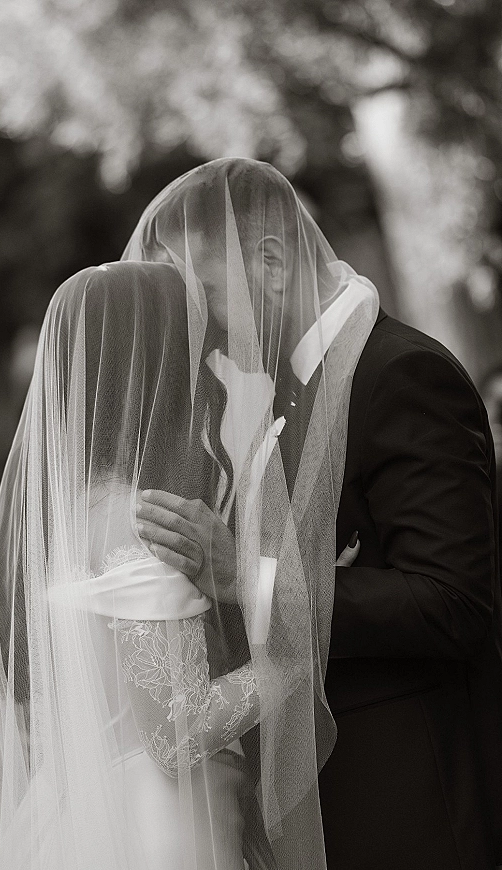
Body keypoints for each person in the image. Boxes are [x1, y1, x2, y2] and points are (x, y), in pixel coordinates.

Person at [124, 157, 502, 870]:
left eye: (206, 292)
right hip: (348, 797)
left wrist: (247, 576)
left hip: (417, 795)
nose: (200, 326)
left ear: (269, 262)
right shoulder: (290, 392)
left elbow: (453, 603)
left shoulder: (399, 375)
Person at [0, 259, 374, 870]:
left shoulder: (59, 517)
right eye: (194, 346)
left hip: (75, 818)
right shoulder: (142, 522)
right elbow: (175, 731)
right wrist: (296, 649)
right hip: (158, 834)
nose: (208, 365)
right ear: (159, 368)